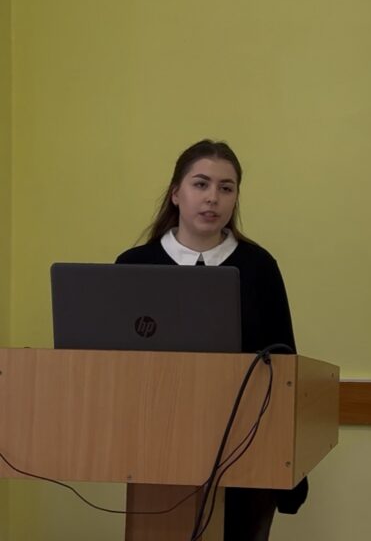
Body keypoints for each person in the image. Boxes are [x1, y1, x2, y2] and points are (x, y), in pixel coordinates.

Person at [116, 138, 308, 540]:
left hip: (246, 448)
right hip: (158, 446)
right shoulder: (134, 266)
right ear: (176, 193)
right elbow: (115, 366)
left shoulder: (259, 267)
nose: (212, 198)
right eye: (201, 184)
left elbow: (285, 362)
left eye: (226, 188)